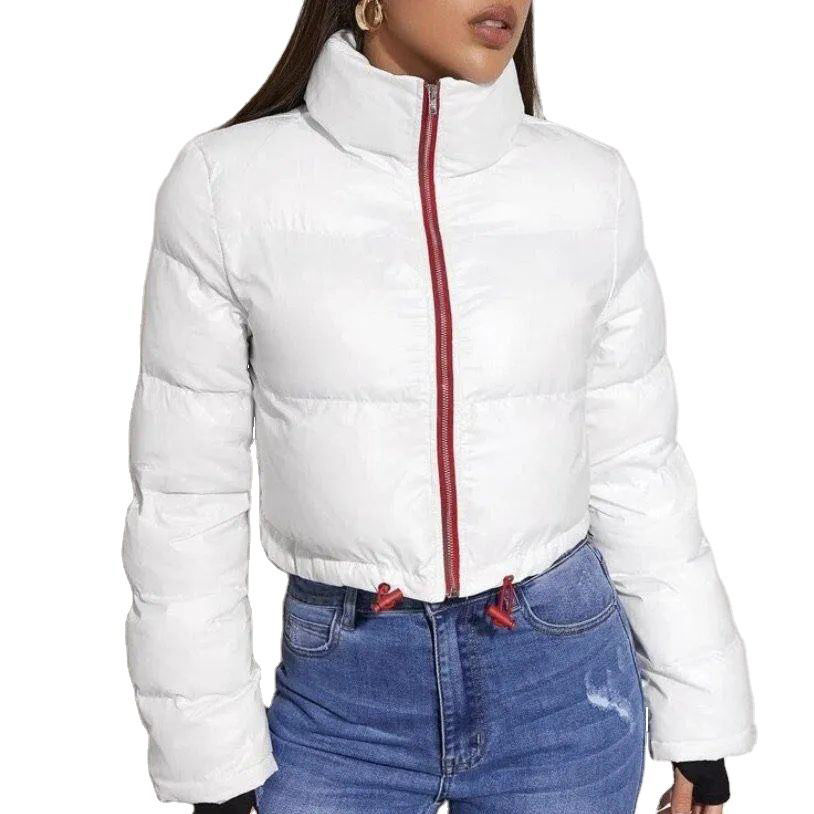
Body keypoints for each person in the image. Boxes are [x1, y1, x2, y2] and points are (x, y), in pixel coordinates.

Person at [123, 2, 755, 812]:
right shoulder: (226, 187)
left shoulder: (588, 186)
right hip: (341, 701)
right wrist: (212, 764)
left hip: (563, 686)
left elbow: (637, 466)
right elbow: (185, 497)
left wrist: (700, 719)